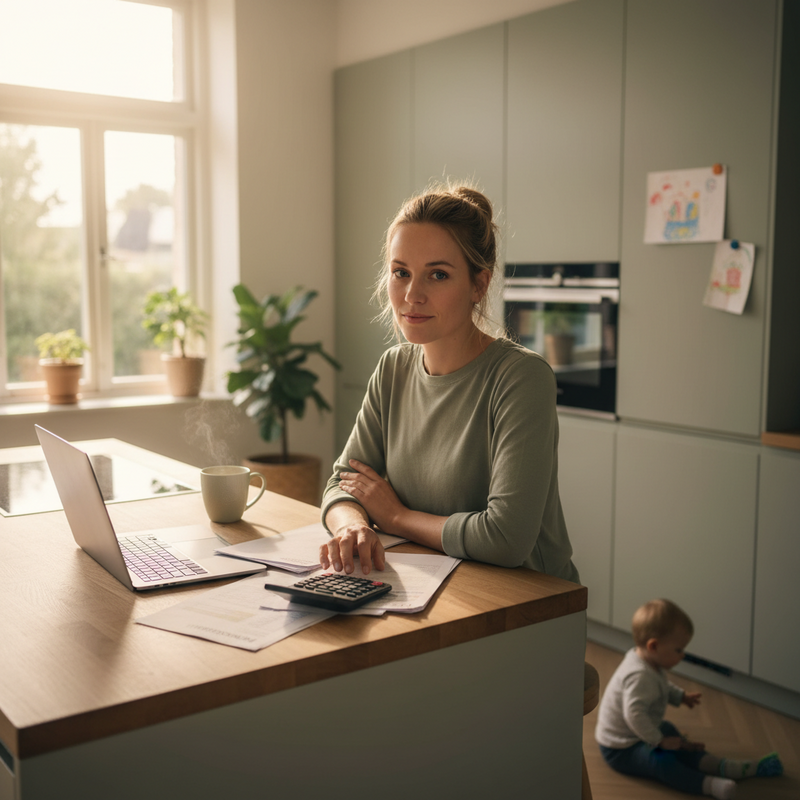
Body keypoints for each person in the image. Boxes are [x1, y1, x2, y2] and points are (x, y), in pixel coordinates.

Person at [318, 183, 579, 584]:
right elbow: (343, 483)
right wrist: (352, 525)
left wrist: (396, 517)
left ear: (479, 285)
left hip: (527, 602)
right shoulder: (392, 369)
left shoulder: (521, 378)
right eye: (401, 273)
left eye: (437, 275)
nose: (412, 294)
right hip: (431, 586)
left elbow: (505, 539)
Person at [595, 599, 783, 800]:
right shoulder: (638, 676)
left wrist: (680, 696)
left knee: (668, 728)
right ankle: (708, 785)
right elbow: (634, 715)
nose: (682, 655)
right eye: (678, 650)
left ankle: (713, 764)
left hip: (639, 732)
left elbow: (661, 686)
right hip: (620, 748)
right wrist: (659, 741)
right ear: (654, 646)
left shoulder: (648, 662)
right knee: (660, 761)